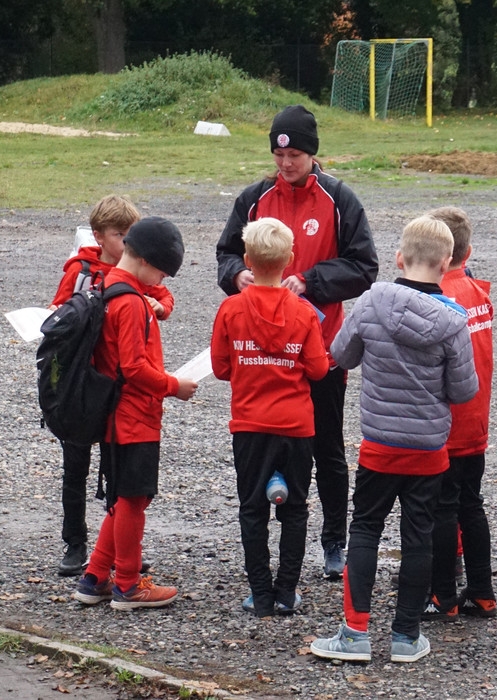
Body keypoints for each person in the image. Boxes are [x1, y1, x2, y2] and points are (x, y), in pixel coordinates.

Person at [215, 105, 378, 579]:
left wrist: (310, 281)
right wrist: (237, 275)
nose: (286, 164)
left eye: (296, 155)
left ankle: (334, 541)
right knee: (262, 444)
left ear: (312, 154)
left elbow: (364, 267)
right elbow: (225, 253)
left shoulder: (338, 199)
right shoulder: (254, 198)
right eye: (279, 154)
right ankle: (265, 550)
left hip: (320, 349)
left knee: (328, 449)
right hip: (262, 355)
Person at [309, 216, 478, 664]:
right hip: (428, 449)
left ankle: (354, 633)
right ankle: (406, 635)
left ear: (400, 258)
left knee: (365, 529)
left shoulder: (370, 302)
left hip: (380, 446)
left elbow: (341, 355)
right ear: (447, 262)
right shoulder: (453, 322)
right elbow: (464, 391)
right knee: (418, 537)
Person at [71, 217, 198, 610]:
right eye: (161, 272)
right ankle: (128, 584)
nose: (162, 280)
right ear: (145, 261)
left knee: (124, 497)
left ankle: (95, 576)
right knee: (132, 499)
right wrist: (174, 386)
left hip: (115, 414)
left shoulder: (109, 285)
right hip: (134, 416)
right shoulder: (130, 303)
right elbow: (134, 368)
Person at [210, 218, 330, 618]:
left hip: (250, 424)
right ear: (290, 259)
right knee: (294, 509)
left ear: (247, 260)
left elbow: (221, 367)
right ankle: (286, 592)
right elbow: (318, 370)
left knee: (252, 509)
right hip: (296, 426)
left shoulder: (230, 309)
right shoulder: (303, 313)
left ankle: (260, 594)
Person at [49, 195, 173, 577]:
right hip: (82, 384)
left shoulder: (135, 273)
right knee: (75, 466)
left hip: (115, 390)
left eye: (130, 234)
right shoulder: (81, 270)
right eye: (120, 234)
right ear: (99, 236)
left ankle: (120, 547)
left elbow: (164, 295)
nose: (126, 241)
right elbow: (58, 311)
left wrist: (161, 307)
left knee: (116, 470)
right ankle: (75, 544)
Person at [421, 206, 497, 622]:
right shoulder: (478, 293)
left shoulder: (438, 298)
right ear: (467, 253)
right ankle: (482, 592)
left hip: (447, 423)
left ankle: (443, 595)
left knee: (443, 508)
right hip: (476, 420)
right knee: (472, 504)